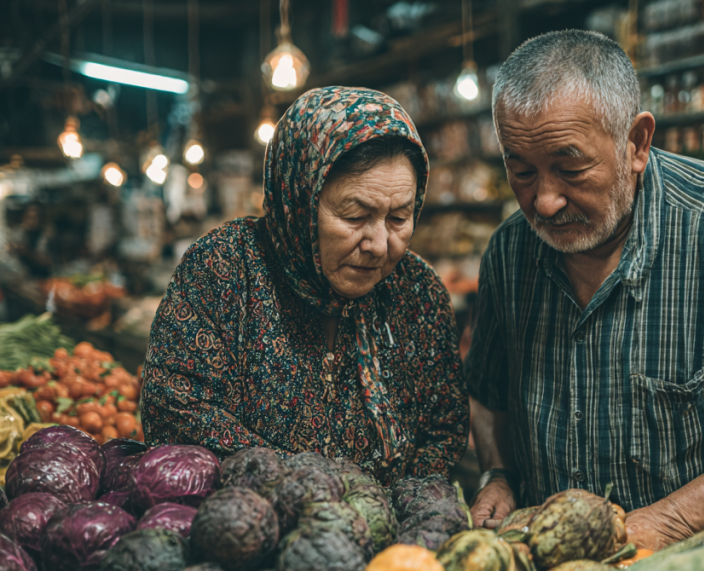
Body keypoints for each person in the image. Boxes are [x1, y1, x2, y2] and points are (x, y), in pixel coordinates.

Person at [465, 30, 704, 564]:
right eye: (521, 171)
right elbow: (488, 391)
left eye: (571, 169)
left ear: (636, 143)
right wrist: (498, 473)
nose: (545, 203)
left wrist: (662, 525)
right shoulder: (510, 253)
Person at [141, 87, 468, 485]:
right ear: (300, 199)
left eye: (399, 218)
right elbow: (175, 410)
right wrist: (309, 491)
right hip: (248, 528)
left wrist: (386, 510)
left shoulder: (416, 292)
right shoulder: (225, 269)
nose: (380, 245)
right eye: (354, 216)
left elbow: (443, 428)